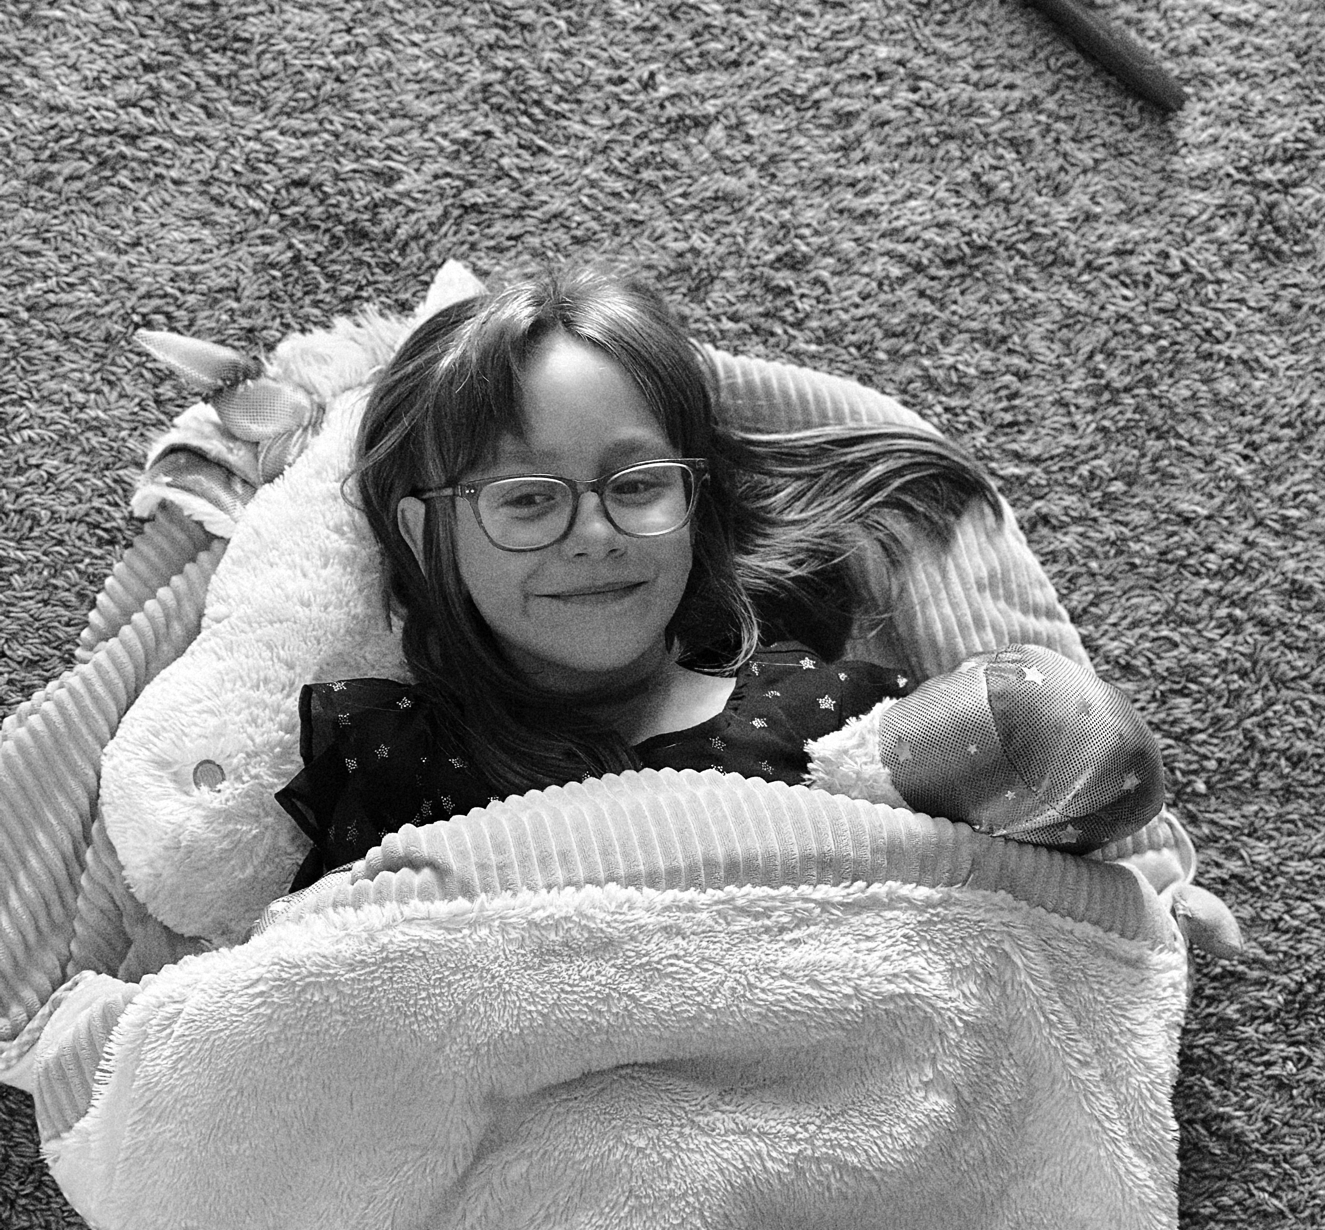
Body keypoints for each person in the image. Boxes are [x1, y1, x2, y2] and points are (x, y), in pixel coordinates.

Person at [275, 257, 1162, 888]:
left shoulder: (825, 714)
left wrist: (1131, 887)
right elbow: (326, 996)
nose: (593, 535)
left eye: (640, 485)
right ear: (424, 532)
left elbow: (1033, 845)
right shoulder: (395, 758)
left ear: (696, 504)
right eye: (527, 500)